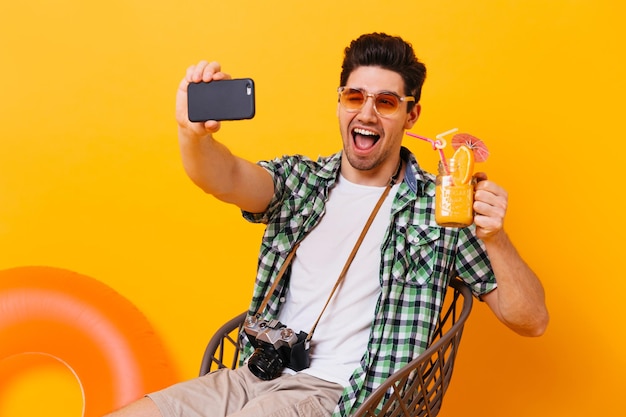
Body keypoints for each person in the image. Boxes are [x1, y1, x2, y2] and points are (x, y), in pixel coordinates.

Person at [106, 32, 548, 417]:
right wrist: (192, 132)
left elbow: (532, 320)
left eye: (387, 102)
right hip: (255, 373)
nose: (367, 114)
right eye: (355, 97)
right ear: (340, 102)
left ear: (411, 116)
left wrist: (496, 238)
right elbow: (223, 178)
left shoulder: (441, 205)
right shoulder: (301, 183)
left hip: (343, 397)